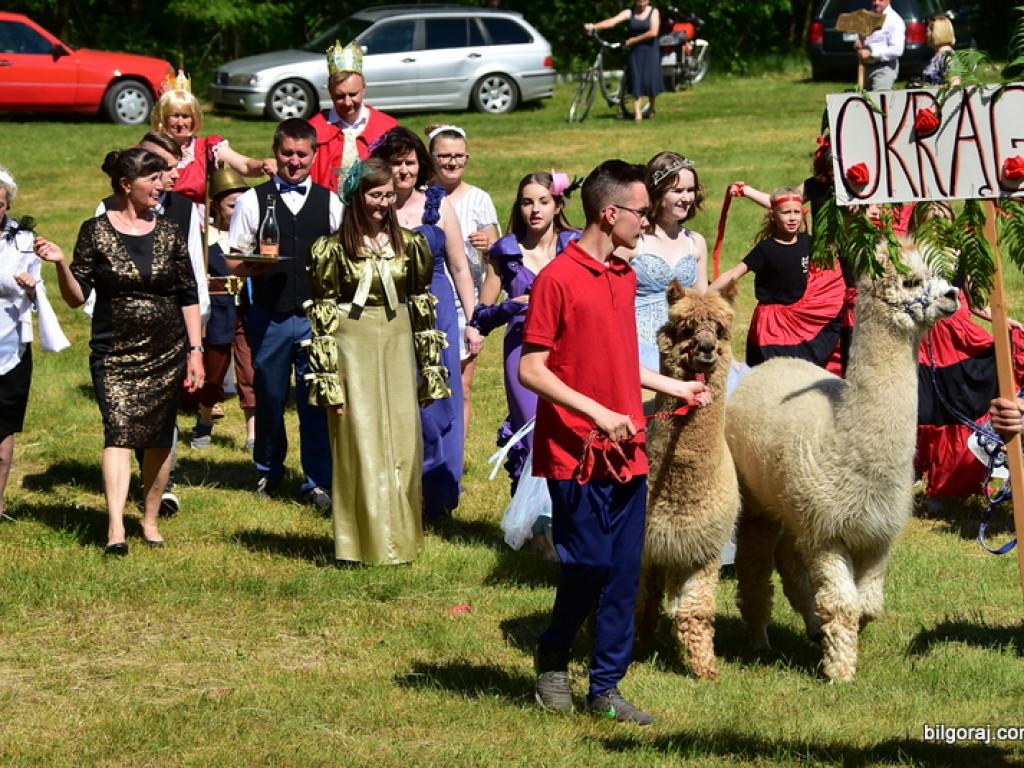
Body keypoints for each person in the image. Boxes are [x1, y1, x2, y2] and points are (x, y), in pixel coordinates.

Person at [521, 159, 710, 725]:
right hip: (573, 451)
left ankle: (606, 687)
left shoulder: (624, 276)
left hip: (626, 450)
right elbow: (534, 369)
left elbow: (620, 359)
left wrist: (671, 384)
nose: (647, 222)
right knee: (589, 565)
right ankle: (554, 653)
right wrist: (597, 412)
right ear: (611, 213)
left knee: (624, 572)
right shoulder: (558, 279)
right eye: (641, 212)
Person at [36, 148, 205, 554]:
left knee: (160, 436)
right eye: (152, 179)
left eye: (161, 178)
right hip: (114, 351)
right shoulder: (94, 230)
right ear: (127, 185)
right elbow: (77, 298)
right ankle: (115, 528)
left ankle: (148, 520)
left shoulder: (169, 231)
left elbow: (187, 293)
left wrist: (196, 349)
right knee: (119, 431)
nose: (160, 185)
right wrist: (60, 263)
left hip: (166, 351)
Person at [305, 158, 452, 564]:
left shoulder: (411, 244)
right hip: (353, 345)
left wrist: (430, 374)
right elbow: (322, 317)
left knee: (404, 444)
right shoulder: (331, 250)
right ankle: (360, 545)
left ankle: (402, 540)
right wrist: (329, 381)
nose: (383, 203)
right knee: (361, 441)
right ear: (356, 196)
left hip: (398, 342)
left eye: (389, 195)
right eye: (375, 194)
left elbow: (423, 310)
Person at [227, 118, 343, 509]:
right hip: (269, 314)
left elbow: (344, 255)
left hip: (314, 316)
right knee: (270, 396)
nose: (294, 162)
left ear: (314, 155)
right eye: (286, 153)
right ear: (275, 154)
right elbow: (234, 258)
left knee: (315, 398)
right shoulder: (252, 200)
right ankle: (268, 469)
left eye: (301, 154)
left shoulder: (331, 202)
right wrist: (252, 268)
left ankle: (317, 480)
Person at [370, 126, 484, 519]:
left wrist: (474, 321)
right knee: (395, 398)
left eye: (411, 163)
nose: (404, 170)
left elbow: (460, 268)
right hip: (389, 311)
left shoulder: (438, 204)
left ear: (422, 165)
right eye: (397, 163)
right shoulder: (372, 206)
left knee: (439, 397)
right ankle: (396, 490)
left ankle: (439, 492)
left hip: (437, 314)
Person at [95, 129, 209, 515]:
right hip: (120, 337)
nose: (168, 179)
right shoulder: (105, 209)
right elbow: (97, 276)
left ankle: (163, 484)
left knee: (163, 417)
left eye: (172, 170)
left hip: (169, 333)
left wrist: (197, 339)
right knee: (123, 419)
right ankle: (121, 501)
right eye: (159, 171)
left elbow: (192, 276)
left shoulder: (183, 211)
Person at [472, 170, 580, 557]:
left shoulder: (576, 244)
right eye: (527, 202)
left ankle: (567, 522)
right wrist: (512, 305)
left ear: (558, 204)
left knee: (570, 434)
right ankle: (537, 532)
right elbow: (480, 316)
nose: (535, 209)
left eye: (543, 201)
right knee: (532, 437)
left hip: (569, 350)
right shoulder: (505, 250)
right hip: (523, 352)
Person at [709, 187, 845, 368]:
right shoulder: (766, 249)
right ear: (773, 215)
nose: (792, 217)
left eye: (797, 212)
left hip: (800, 318)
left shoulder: (808, 242)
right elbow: (734, 273)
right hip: (773, 323)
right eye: (786, 212)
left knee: (802, 367)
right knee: (774, 368)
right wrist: (705, 293)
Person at [0, 166, 69, 522]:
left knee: (4, 425)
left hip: (10, 346)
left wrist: (30, 285)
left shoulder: (23, 239)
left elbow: (36, 288)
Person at [427, 123, 500, 439]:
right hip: (428, 298)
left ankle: (453, 460)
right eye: (444, 156)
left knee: (462, 387)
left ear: (467, 158)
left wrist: (489, 248)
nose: (452, 162)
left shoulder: (479, 199)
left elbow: (498, 264)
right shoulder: (421, 197)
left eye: (458, 156)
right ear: (431, 158)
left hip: (465, 300)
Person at [184, 167, 256, 452]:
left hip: (247, 312)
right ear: (215, 206)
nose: (237, 210)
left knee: (251, 373)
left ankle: (253, 435)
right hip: (218, 314)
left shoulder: (251, 236)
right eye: (231, 205)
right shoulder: (204, 239)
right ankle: (204, 420)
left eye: (242, 204)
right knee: (214, 375)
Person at [630, 151, 708, 370]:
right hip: (639, 343)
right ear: (657, 193)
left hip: (683, 343)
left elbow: (701, 303)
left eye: (690, 190)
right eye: (677, 191)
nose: (687, 198)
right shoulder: (635, 240)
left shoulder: (696, 242)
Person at [150, 71, 274, 205]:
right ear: (163, 118)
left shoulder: (208, 146)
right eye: (174, 116)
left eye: (185, 117)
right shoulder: (151, 148)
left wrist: (264, 165)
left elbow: (244, 165)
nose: (180, 123)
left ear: (194, 119)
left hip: (199, 220)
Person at [309, 41, 399, 193]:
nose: (347, 102)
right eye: (340, 96)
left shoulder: (387, 127)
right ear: (330, 91)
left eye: (353, 94)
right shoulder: (314, 128)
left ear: (364, 88)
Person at [584, 0, 663, 121]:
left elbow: (653, 32)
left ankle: (651, 107)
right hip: (635, 52)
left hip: (650, 50)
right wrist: (594, 26)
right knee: (636, 79)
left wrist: (633, 40)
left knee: (649, 80)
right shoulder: (630, 12)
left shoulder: (654, 12)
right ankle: (638, 113)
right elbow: (612, 22)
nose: (641, 1)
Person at [854, 0, 906, 91]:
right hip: (866, 67)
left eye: (881, 0)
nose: (876, 3)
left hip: (884, 68)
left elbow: (897, 50)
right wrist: (858, 43)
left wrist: (871, 53)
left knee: (877, 101)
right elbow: (861, 40)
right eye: (874, 0)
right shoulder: (868, 17)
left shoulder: (894, 20)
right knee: (864, 102)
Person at [908, 15, 958, 88]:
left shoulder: (948, 57)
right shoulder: (937, 56)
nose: (926, 34)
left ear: (937, 32)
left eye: (928, 31)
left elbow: (954, 84)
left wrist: (930, 88)